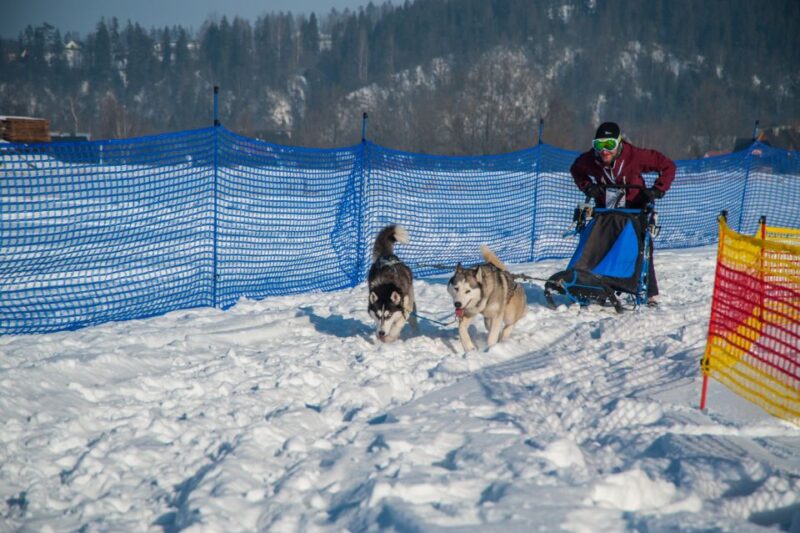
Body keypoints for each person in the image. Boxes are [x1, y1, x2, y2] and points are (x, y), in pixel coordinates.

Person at [570, 121, 676, 307]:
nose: (604, 151)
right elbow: (576, 170)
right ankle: (594, 282)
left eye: (609, 145)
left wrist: (658, 189)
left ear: (619, 143)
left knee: (641, 246)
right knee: (598, 243)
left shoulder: (635, 156)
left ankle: (648, 293)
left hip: (635, 209)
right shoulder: (591, 159)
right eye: (599, 145)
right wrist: (588, 187)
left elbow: (668, 166)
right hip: (607, 211)